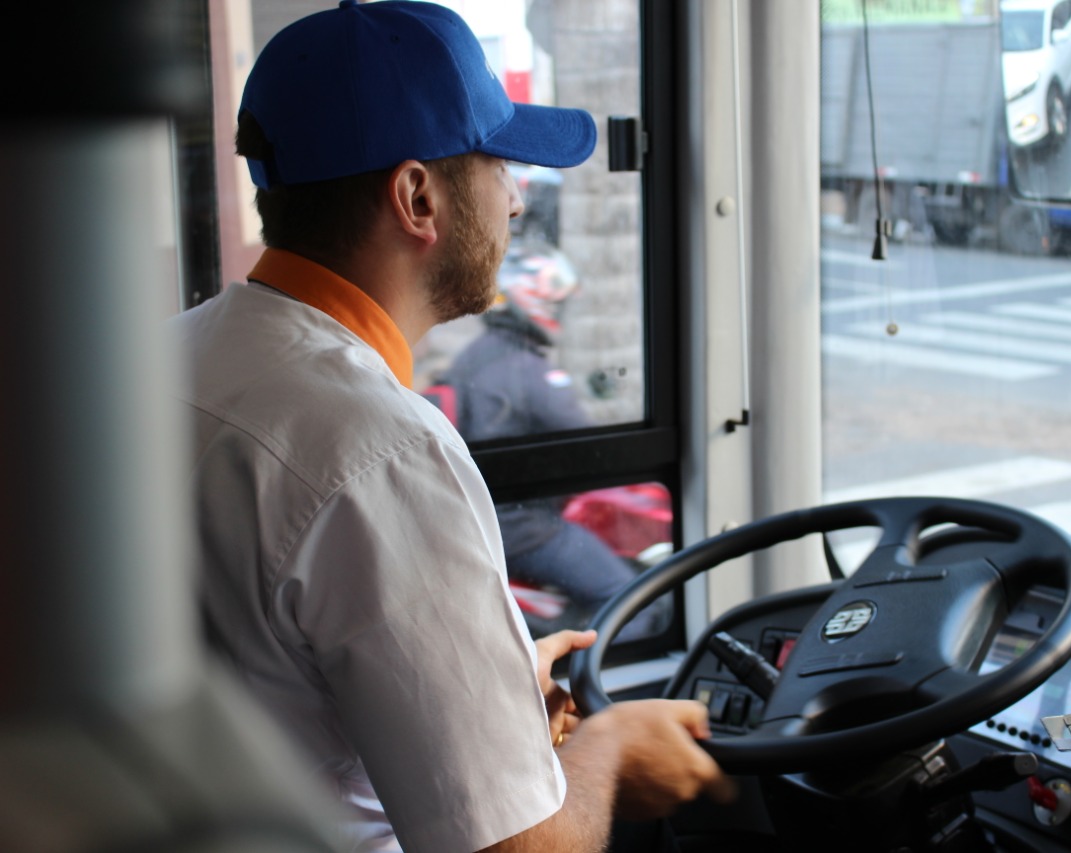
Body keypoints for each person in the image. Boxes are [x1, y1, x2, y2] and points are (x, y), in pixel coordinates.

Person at [167, 3, 730, 851]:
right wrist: (611, 750)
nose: (511, 203)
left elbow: (278, 686)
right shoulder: (380, 452)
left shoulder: (176, 353)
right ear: (417, 196)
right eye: (498, 165)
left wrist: (487, 695)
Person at [442, 243, 669, 641]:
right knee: (631, 599)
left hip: (486, 515)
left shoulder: (475, 357)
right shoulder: (530, 372)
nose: (562, 314)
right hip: (523, 526)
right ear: (536, 300)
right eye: (559, 304)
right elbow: (585, 447)